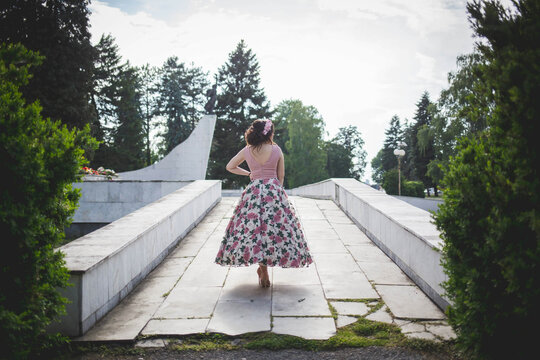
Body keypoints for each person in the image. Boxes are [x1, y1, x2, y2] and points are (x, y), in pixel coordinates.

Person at [214, 118, 313, 287]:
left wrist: (249, 174)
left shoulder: (248, 150)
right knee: (272, 231)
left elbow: (230, 166)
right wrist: (277, 194)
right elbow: (281, 176)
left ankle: (262, 267)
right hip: (273, 191)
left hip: (253, 192)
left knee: (254, 230)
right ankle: (265, 266)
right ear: (269, 133)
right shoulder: (276, 149)